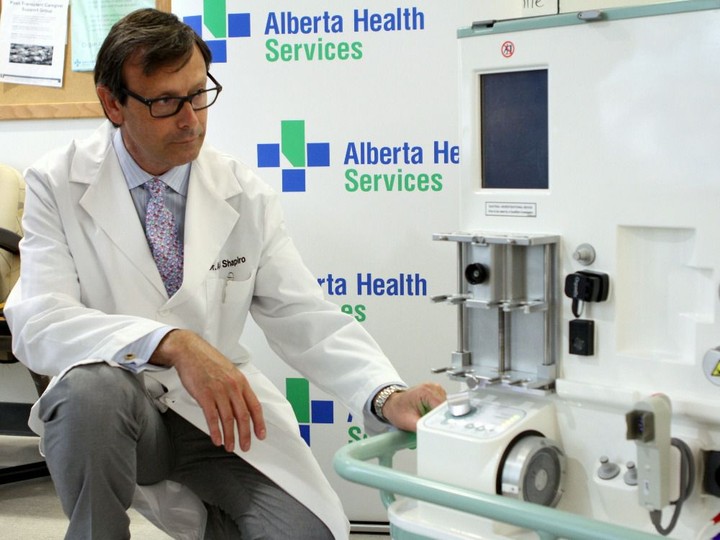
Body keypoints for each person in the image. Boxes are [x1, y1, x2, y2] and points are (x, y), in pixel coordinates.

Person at [5, 8, 446, 540]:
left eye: (198, 94)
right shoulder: (57, 183)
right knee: (87, 391)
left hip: (214, 415)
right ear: (112, 103)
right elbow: (39, 322)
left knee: (306, 533)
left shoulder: (243, 190)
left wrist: (383, 394)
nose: (191, 119)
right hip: (117, 411)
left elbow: (301, 314)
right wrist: (173, 343)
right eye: (166, 102)